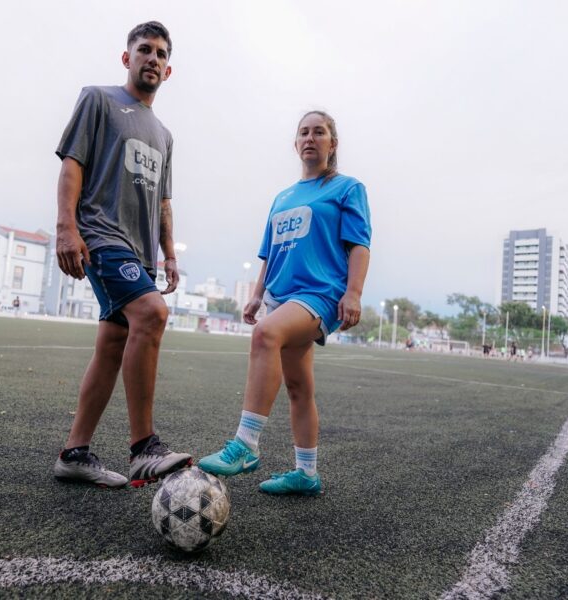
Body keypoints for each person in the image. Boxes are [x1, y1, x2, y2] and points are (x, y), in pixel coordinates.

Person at [198, 110, 372, 496]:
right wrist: (257, 294)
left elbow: (360, 245)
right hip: (280, 296)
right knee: (299, 387)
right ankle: (306, 473)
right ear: (295, 144)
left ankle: (245, 444)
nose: (311, 138)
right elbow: (269, 252)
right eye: (304, 132)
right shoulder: (283, 197)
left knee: (265, 335)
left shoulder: (346, 188)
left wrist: (354, 293)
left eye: (320, 132)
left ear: (333, 143)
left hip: (320, 294)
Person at [51, 21, 191, 489]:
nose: (152, 58)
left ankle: (74, 453)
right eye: (144, 49)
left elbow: (164, 202)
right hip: (100, 234)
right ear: (126, 57)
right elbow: (74, 163)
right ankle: (143, 448)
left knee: (112, 346)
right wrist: (66, 227)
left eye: (161, 54)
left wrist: (169, 255)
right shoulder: (99, 99)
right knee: (152, 313)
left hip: (141, 251)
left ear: (168, 71)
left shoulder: (165, 136)